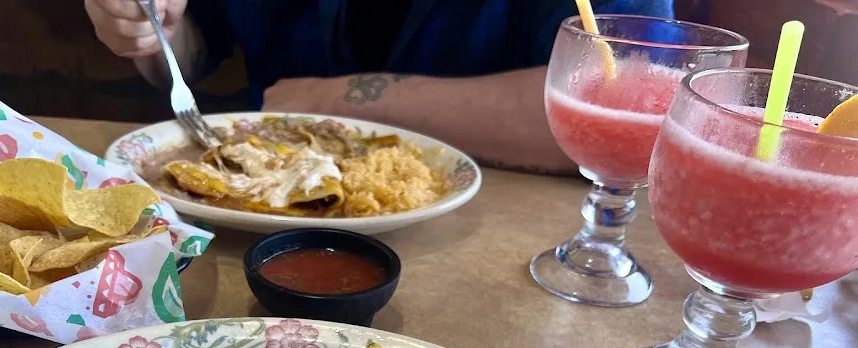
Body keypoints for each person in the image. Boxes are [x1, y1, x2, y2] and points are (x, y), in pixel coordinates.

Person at [84, 0, 673, 173]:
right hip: (252, 207)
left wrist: (328, 101)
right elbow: (190, 56)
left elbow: (639, 98)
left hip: (502, 239)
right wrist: (153, 31)